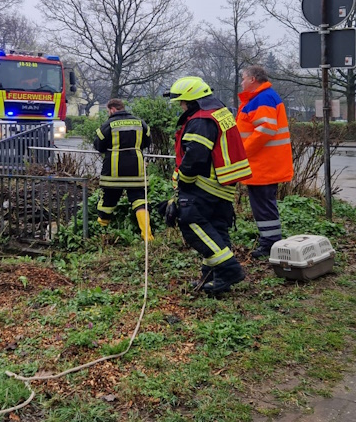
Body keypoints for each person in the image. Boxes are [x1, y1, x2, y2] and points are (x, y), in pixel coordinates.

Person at [165, 76, 253, 295]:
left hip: (205, 183)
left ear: (192, 100)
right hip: (223, 183)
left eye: (182, 102)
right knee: (215, 229)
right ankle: (214, 277)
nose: (181, 107)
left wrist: (182, 183)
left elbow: (195, 156)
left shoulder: (201, 120)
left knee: (192, 225)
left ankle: (229, 269)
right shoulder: (219, 111)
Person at [236, 65, 294, 258]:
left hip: (263, 164)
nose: (242, 82)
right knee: (264, 205)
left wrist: (241, 151)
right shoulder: (262, 98)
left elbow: (266, 129)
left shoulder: (262, 98)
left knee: (263, 205)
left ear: (253, 79)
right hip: (263, 163)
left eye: (244, 78)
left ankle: (270, 244)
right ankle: (269, 240)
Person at [92, 98, 154, 241]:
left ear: (112, 109)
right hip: (136, 169)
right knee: (140, 199)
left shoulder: (108, 124)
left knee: (107, 200)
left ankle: (100, 233)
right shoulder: (140, 123)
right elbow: (147, 142)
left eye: (108, 111)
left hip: (113, 172)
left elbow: (98, 145)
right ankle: (147, 235)